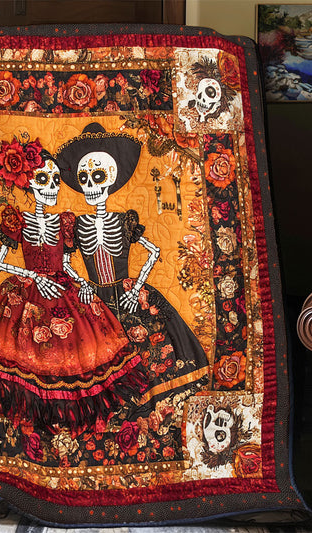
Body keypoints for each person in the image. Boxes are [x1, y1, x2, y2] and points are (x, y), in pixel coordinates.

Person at [0, 144, 146, 433]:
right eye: (43, 179)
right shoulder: (18, 219)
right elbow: (0, 262)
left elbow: (67, 263)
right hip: (26, 288)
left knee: (83, 346)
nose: (51, 186)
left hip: (62, 286)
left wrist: (83, 283)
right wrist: (34, 277)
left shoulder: (64, 221)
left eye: (55, 180)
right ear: (29, 183)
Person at [56, 123, 209, 423]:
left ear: (111, 177)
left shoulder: (124, 220)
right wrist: (82, 283)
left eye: (98, 176)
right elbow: (64, 261)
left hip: (126, 293)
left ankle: (147, 404)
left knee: (150, 346)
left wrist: (137, 287)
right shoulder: (78, 224)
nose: (90, 185)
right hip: (95, 297)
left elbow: (153, 251)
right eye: (83, 178)